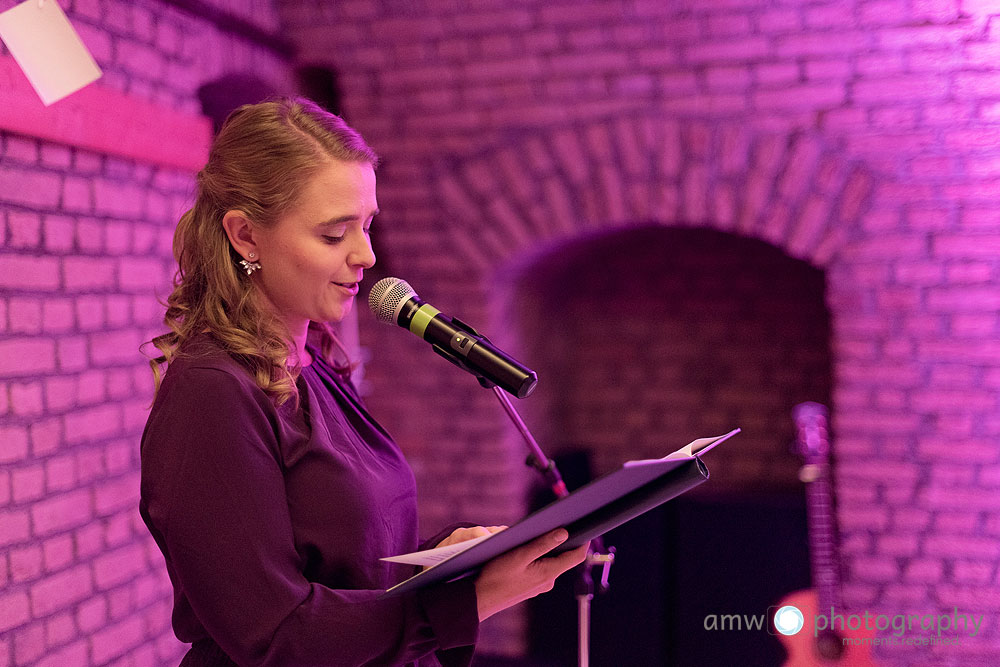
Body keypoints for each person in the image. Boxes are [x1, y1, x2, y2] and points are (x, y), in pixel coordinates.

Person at [139, 97, 588, 667]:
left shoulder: (313, 363)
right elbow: (275, 636)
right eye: (333, 235)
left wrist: (441, 563)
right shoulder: (212, 393)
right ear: (245, 235)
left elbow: (344, 571)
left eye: (367, 225)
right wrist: (460, 603)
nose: (366, 255)